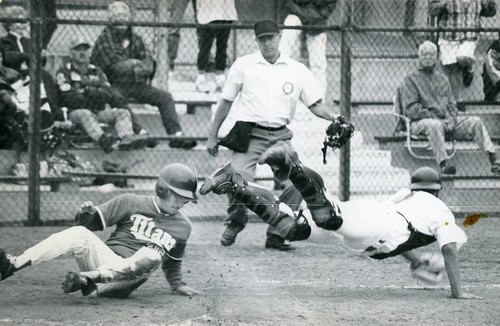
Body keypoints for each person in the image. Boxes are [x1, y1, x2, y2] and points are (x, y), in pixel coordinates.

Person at [199, 141, 482, 299]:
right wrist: (458, 292)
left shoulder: (406, 196)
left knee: (291, 227)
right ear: (437, 189)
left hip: (368, 221)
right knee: (328, 217)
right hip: (372, 225)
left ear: (415, 185)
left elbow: (397, 233)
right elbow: (449, 250)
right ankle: (293, 163)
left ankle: (235, 182)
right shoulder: (440, 207)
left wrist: (416, 260)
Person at [206, 20, 339, 250]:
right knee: (235, 177)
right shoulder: (244, 65)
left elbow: (315, 104)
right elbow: (225, 102)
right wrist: (212, 136)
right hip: (250, 134)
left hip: (280, 137)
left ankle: (277, 233)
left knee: (299, 182)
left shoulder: (296, 69)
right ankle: (235, 222)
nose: (267, 43)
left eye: (271, 37)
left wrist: (335, 118)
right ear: (256, 40)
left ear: (280, 37)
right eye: (262, 39)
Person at [0, 163, 201, 298]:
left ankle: (89, 279)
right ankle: (13, 264)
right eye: (179, 196)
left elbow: (173, 263)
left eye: (187, 198)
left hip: (127, 280)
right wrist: (86, 214)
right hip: (102, 262)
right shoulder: (130, 201)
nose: (184, 202)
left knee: (152, 255)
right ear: (162, 189)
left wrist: (178, 285)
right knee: (79, 232)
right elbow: (88, 226)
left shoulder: (183, 227)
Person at [90, 1, 196, 149]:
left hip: (137, 84)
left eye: (124, 15)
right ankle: (141, 132)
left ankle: (176, 135)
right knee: (116, 97)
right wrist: (136, 65)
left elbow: (150, 64)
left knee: (165, 97)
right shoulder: (104, 38)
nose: (121, 19)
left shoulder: (136, 38)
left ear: (129, 18)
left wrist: (132, 65)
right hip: (114, 85)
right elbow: (115, 68)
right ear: (110, 19)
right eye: (116, 15)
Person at [398, 41, 500, 175]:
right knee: (434, 125)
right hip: (420, 123)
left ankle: (494, 159)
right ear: (419, 57)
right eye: (425, 54)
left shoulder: (442, 79)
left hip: (446, 122)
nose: (428, 57)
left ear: (436, 57)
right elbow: (411, 109)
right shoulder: (410, 80)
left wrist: (451, 120)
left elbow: (452, 105)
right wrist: (436, 118)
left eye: (431, 54)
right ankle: (443, 165)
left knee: (475, 121)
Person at [57, 37, 149, 154]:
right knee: (85, 113)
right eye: (78, 49)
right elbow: (70, 99)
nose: (82, 53)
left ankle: (126, 138)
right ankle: (104, 140)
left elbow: (108, 93)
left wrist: (87, 92)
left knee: (122, 112)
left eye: (85, 49)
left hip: (98, 111)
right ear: (71, 52)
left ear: (89, 52)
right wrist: (96, 95)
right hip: (75, 113)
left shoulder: (97, 71)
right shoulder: (64, 72)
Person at [428, 0, 497, 101]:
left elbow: (489, 12)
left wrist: (490, 6)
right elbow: (432, 11)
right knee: (453, 69)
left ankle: (469, 67)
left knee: (462, 58)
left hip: (469, 36)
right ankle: (457, 100)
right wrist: (444, 4)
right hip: (449, 36)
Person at [279, 0, 337, 97]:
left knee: (318, 62)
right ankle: (282, 93)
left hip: (317, 21)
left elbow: (329, 6)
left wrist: (314, 16)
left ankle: (318, 99)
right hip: (296, 14)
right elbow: (287, 2)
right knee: (285, 51)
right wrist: (301, 13)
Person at [194, 0, 238, 93]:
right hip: (208, 12)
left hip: (226, 11)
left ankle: (220, 79)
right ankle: (201, 78)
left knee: (222, 45)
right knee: (205, 45)